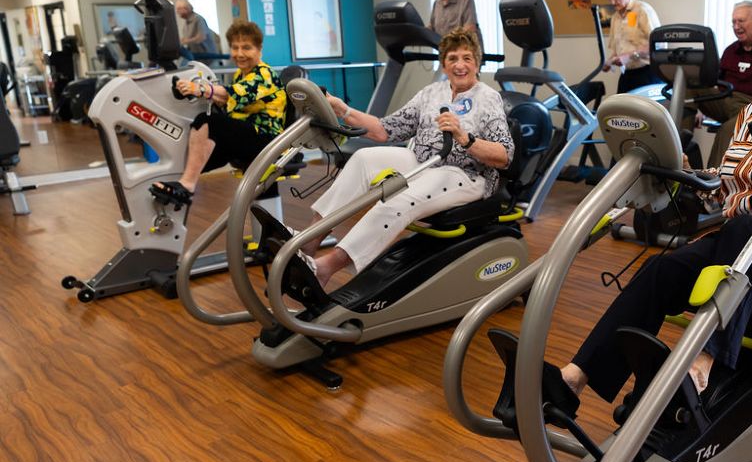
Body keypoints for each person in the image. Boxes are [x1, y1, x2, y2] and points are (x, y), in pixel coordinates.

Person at [561, 5, 752, 399]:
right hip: (747, 244)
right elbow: (724, 190)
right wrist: (688, 173)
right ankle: (575, 377)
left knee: (746, 230)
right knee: (659, 270)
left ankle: (702, 365)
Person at [305, 27, 513, 288]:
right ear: (444, 64)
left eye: (467, 58)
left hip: (466, 174)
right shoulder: (431, 93)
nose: (460, 65)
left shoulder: (488, 98)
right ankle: (308, 243)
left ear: (477, 63)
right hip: (422, 161)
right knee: (363, 158)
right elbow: (385, 129)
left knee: (400, 196)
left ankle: (326, 268)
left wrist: (463, 137)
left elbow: (504, 156)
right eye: (452, 59)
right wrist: (341, 109)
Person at [150, 19, 286, 205]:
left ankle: (187, 186)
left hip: (268, 140)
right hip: (248, 137)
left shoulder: (264, 74)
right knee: (188, 152)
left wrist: (201, 90)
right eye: (235, 48)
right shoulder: (240, 74)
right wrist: (198, 91)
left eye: (246, 48)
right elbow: (225, 100)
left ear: (259, 49)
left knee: (209, 122)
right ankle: (177, 184)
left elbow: (229, 95)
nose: (239, 54)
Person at [697, 1, 752, 167]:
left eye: (741, 21)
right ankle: (677, 156)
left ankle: (711, 184)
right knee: (693, 88)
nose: (736, 26)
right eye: (733, 22)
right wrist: (698, 108)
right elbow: (714, 82)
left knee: (726, 130)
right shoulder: (730, 50)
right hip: (727, 100)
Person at [602, 0, 661, 94]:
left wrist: (629, 56)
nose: (612, 2)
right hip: (627, 74)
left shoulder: (643, 10)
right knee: (620, 111)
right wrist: (609, 62)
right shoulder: (615, 17)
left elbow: (658, 45)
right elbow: (617, 49)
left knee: (643, 113)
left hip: (647, 74)